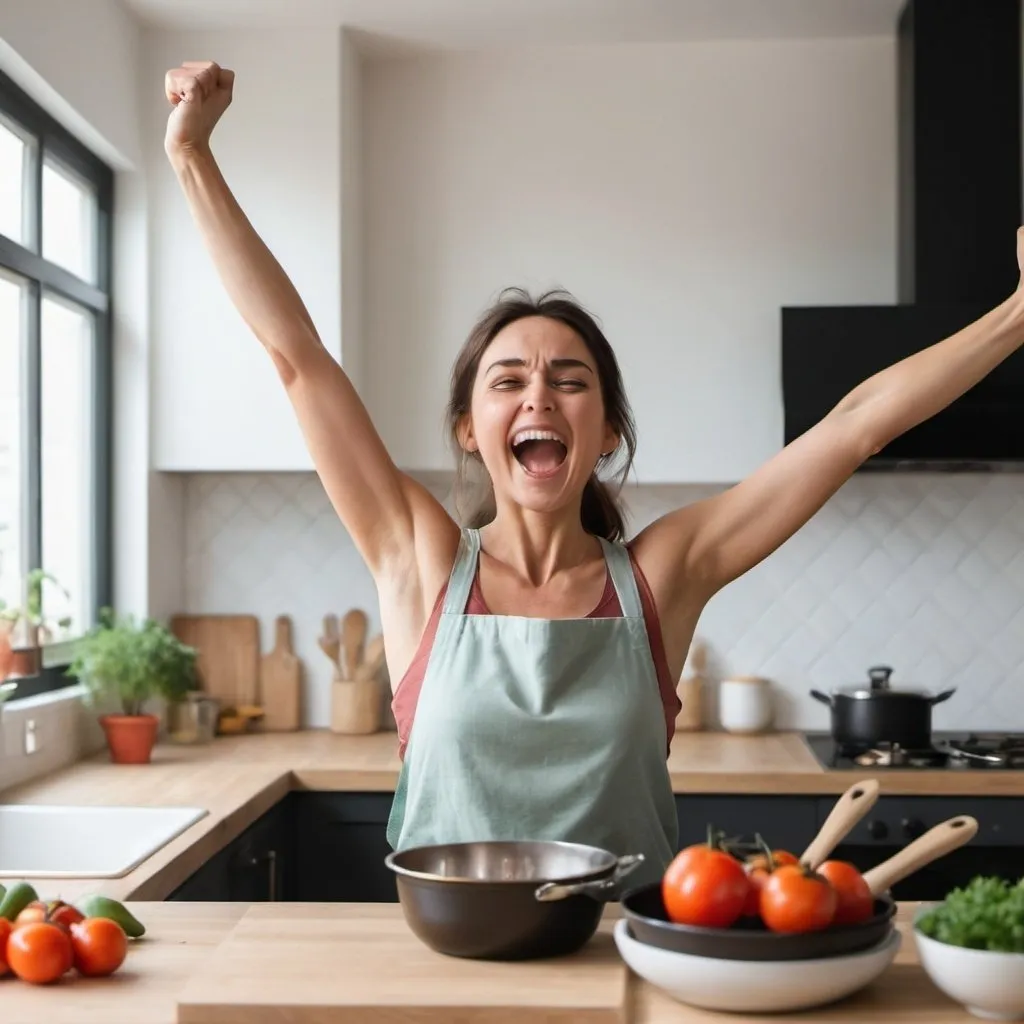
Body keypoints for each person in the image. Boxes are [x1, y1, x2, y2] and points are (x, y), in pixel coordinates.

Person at [163, 60, 1024, 888]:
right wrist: (192, 157)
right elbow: (298, 359)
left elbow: (855, 428)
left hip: (628, 959)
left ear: (606, 430)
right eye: (508, 381)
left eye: (569, 381)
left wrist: (1017, 316)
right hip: (449, 966)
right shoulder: (418, 557)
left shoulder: (663, 574)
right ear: (471, 431)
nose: (539, 394)